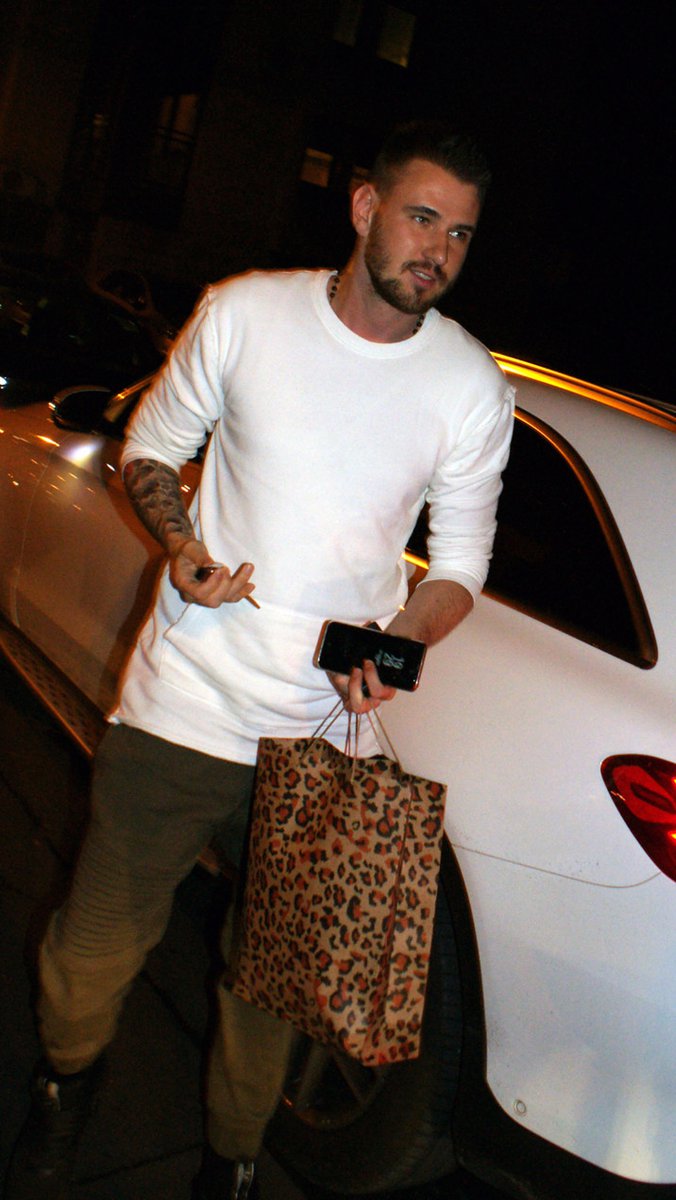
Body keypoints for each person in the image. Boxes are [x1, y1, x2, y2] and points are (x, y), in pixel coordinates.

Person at [4, 120, 514, 1200]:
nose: (437, 250)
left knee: (273, 986)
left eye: (461, 234)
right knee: (92, 952)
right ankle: (64, 1088)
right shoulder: (245, 313)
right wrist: (181, 548)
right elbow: (152, 447)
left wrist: (403, 641)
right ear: (365, 207)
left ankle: (231, 1164)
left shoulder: (470, 384)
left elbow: (460, 566)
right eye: (422, 218)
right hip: (185, 703)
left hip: (322, 740)